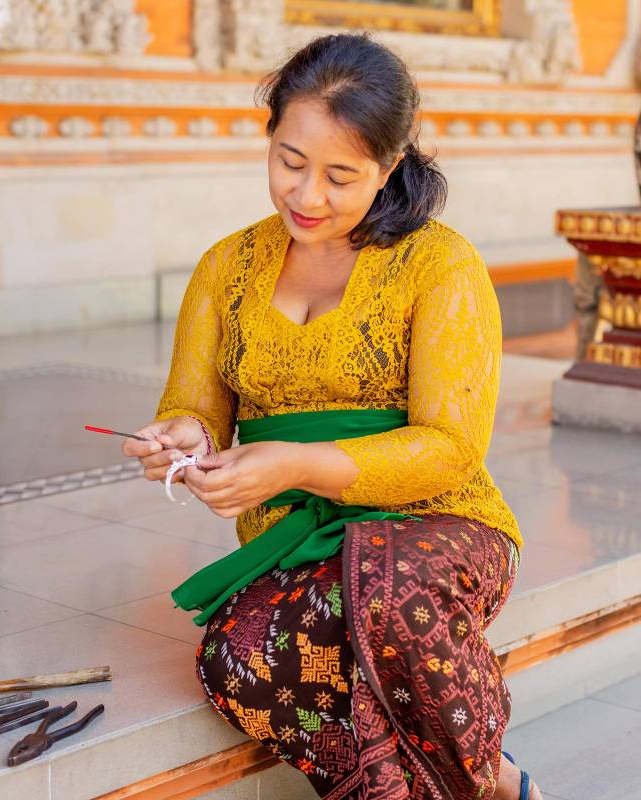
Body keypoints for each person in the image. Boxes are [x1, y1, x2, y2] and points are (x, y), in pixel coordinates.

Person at [123, 33, 540, 800]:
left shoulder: (439, 265)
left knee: (386, 590)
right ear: (270, 137)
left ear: (389, 166)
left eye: (341, 176)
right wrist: (183, 436)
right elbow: (194, 407)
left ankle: (488, 789)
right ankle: (467, 787)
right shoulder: (226, 268)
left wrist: (293, 463)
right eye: (290, 160)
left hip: (440, 523)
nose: (307, 197)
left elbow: (451, 449)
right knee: (235, 659)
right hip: (294, 545)